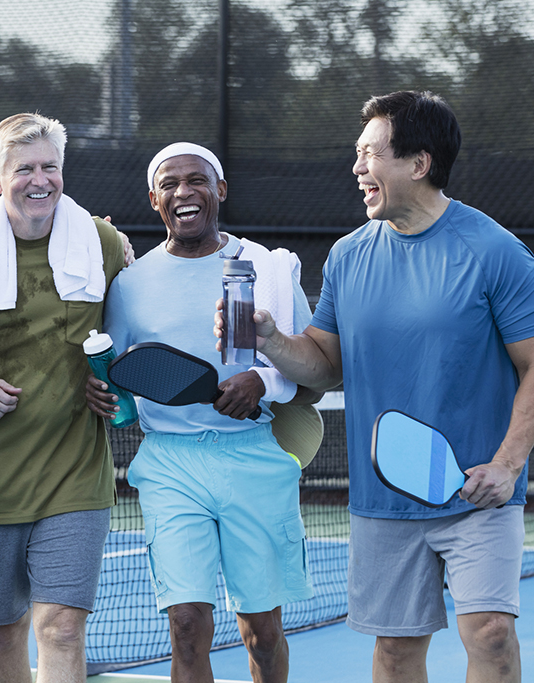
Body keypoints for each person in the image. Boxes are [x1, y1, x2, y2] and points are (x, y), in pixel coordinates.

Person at [216, 91, 534, 683]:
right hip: (384, 499)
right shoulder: (349, 257)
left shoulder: (497, 253)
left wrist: (507, 465)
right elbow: (326, 366)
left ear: (419, 164)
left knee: (491, 634)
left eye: (369, 154)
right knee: (397, 653)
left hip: (478, 492)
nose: (357, 169)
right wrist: (271, 338)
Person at [88, 142, 320, 683]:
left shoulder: (268, 269)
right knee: (187, 626)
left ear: (219, 190)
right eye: (169, 184)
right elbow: (117, 371)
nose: (183, 192)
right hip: (170, 466)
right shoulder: (130, 285)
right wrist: (98, 392)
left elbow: (314, 370)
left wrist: (261, 379)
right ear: (154, 199)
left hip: (255, 460)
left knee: (261, 632)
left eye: (197, 181)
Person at [0, 112, 130, 683]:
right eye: (24, 168)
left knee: (62, 628)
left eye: (51, 166)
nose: (40, 179)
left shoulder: (102, 243)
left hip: (75, 476)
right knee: (3, 633)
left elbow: (134, 331)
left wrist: (115, 382)